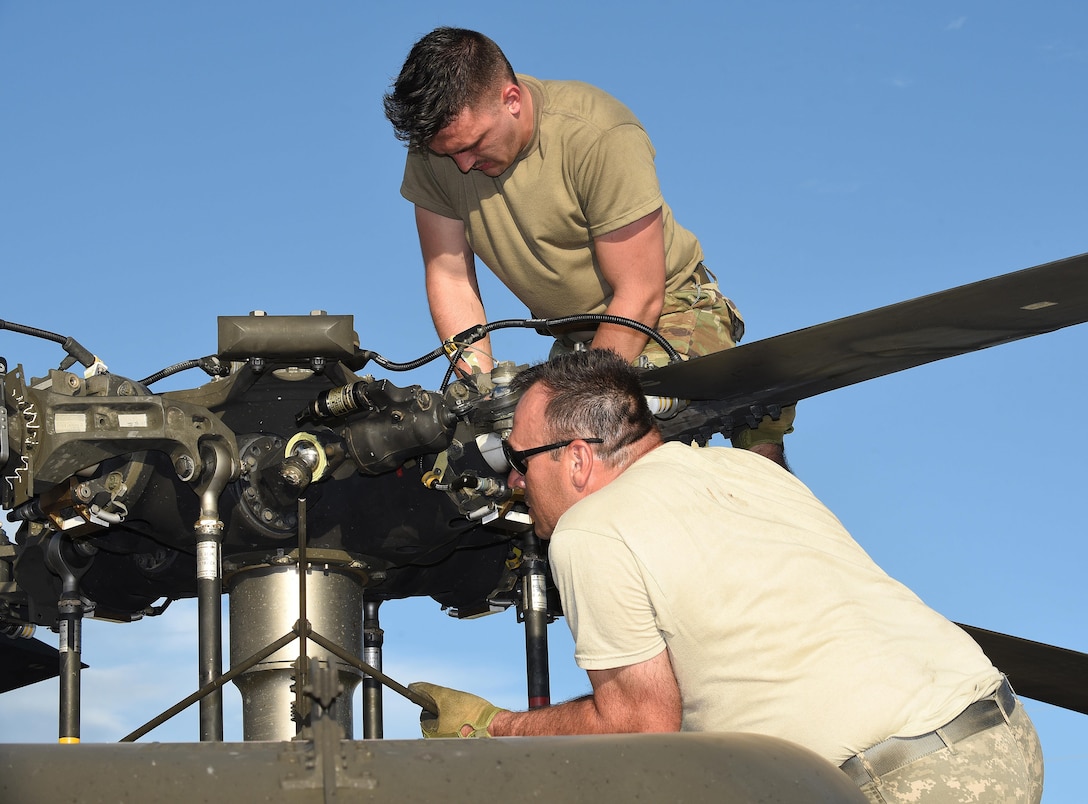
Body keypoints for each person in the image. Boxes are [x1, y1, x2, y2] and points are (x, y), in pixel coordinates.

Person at [408, 350, 1044, 804]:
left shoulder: (591, 530)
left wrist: (494, 728)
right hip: (1000, 733)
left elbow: (639, 727)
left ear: (576, 459)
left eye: (520, 460)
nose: (515, 481)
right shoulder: (750, 471)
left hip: (896, 782)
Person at [383, 26, 793, 468]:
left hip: (669, 314)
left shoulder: (598, 134)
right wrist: (481, 399)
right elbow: (449, 277)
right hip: (575, 344)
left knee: (606, 448)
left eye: (473, 145)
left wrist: (571, 408)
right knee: (520, 458)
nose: (462, 164)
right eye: (448, 153)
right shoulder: (438, 150)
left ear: (512, 100)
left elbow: (640, 294)